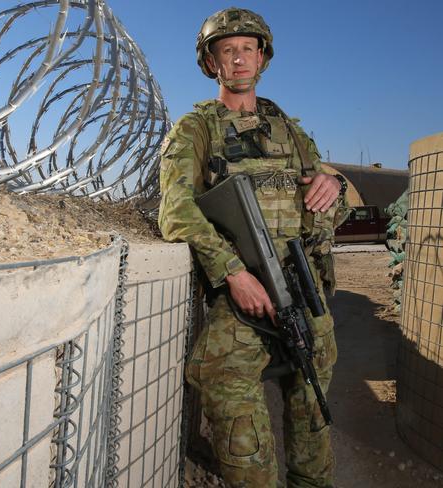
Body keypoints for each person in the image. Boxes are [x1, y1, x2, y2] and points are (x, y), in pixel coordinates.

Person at [158, 7, 347, 488]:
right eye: (227, 51)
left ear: (261, 57)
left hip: (305, 294)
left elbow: (334, 201)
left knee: (313, 421)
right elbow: (176, 209)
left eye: (247, 49)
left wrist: (334, 187)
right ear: (212, 63)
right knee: (228, 398)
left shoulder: (289, 128)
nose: (239, 60)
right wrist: (232, 272)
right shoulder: (196, 127)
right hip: (244, 297)